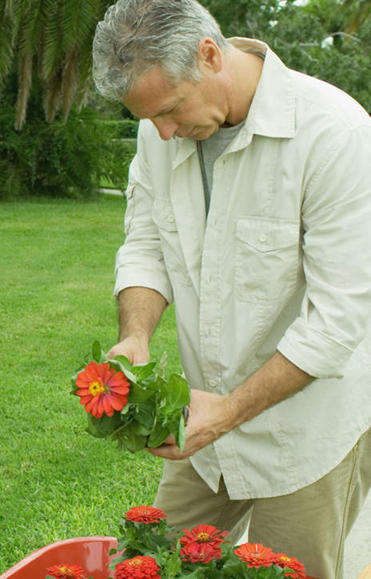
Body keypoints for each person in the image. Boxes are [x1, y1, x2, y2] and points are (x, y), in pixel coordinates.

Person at [91, 0, 371, 576]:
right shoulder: (159, 132)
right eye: (148, 121)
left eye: (170, 109)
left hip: (307, 432)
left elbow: (337, 320)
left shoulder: (334, 134)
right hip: (205, 424)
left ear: (210, 54)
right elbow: (145, 243)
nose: (163, 133)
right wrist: (135, 337)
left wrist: (229, 411)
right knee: (145, 564)